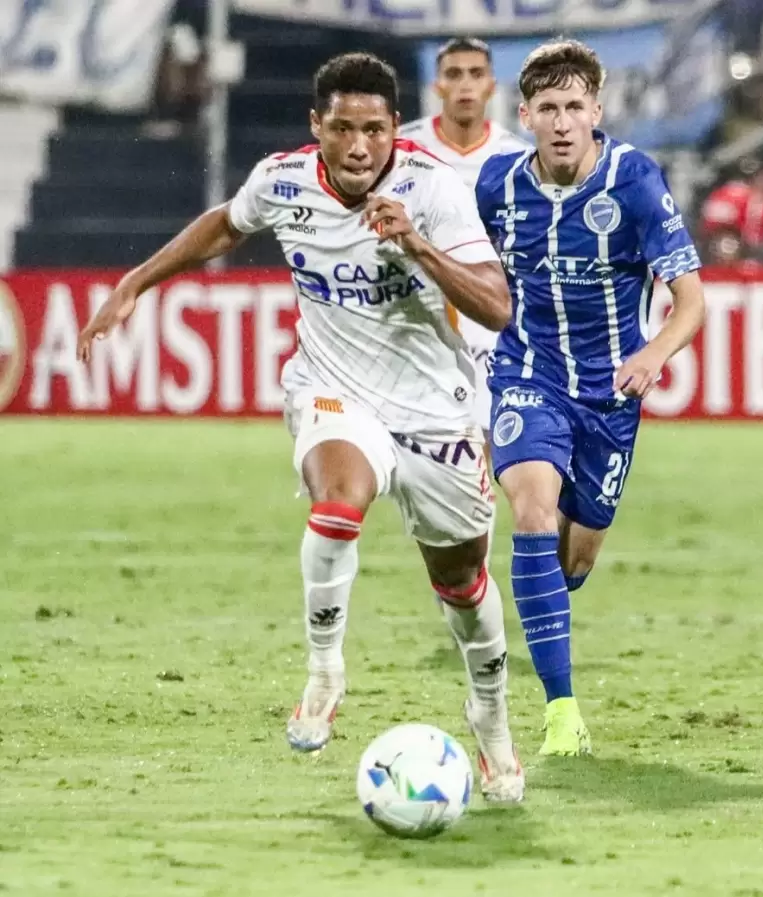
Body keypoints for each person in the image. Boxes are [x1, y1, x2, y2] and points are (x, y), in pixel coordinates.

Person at [77, 52, 524, 803]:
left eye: (374, 130)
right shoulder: (282, 179)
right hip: (334, 387)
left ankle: (492, 717)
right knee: (338, 499)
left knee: (462, 584)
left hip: (437, 409)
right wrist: (135, 282)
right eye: (341, 128)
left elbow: (497, 307)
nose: (357, 148)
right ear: (316, 126)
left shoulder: (432, 188)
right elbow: (225, 223)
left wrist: (416, 244)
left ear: (393, 129)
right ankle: (325, 671)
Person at [475, 39, 706, 756]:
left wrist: (654, 352)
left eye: (576, 106)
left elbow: (691, 301)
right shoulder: (495, 186)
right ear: (526, 116)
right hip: (527, 374)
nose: (564, 121)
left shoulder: (633, 180)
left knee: (574, 556)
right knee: (532, 510)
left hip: (609, 395)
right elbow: (472, 280)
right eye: (549, 108)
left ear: (597, 112)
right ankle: (559, 710)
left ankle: (540, 618)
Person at [399, 37, 530, 558]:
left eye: (475, 73)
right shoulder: (404, 151)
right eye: (454, 74)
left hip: (493, 321)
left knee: (504, 456)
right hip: (424, 323)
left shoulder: (518, 156)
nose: (465, 85)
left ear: (491, 85)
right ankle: (465, 575)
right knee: (448, 469)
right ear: (438, 87)